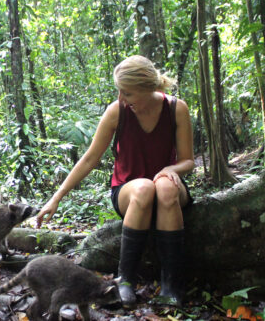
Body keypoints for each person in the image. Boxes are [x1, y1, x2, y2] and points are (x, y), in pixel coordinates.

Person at [35, 55, 195, 308]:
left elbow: (188, 161)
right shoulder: (117, 111)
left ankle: (171, 285)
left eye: (128, 93)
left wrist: (170, 169)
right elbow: (89, 159)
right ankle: (126, 280)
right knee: (145, 187)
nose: (121, 99)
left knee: (162, 185)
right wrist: (56, 198)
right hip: (130, 192)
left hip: (169, 190)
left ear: (148, 89)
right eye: (120, 92)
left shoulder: (176, 108)